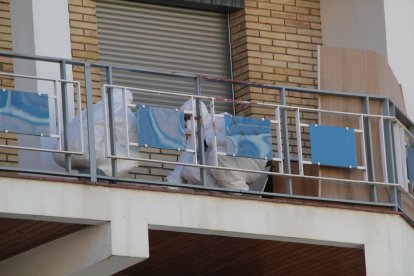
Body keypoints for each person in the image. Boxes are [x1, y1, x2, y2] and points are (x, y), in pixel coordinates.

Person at [165, 99, 267, 191]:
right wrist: (166, 187)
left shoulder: (221, 119)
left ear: (197, 115)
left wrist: (211, 140)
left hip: (249, 161)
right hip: (226, 169)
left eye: (187, 117)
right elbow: (181, 167)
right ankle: (221, 192)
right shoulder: (192, 140)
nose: (185, 123)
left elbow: (245, 138)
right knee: (188, 170)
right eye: (184, 119)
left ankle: (240, 191)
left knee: (216, 154)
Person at [53, 88, 140, 176]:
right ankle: (103, 174)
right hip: (91, 150)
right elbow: (129, 140)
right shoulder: (122, 109)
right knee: (133, 158)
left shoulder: (89, 109)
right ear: (127, 100)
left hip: (61, 154)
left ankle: (88, 172)